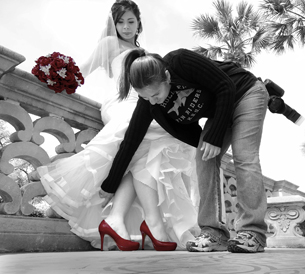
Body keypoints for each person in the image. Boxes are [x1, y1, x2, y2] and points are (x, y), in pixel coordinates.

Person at [34, 0, 199, 252]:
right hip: (121, 104)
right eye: (120, 22)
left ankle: (117, 220)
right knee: (146, 143)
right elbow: (82, 72)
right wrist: (55, 72)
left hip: (144, 104)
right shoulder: (109, 44)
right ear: (113, 24)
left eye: (130, 21)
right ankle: (145, 223)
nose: (125, 27)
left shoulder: (143, 51)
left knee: (148, 153)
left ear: (139, 22)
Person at [100, 47, 269, 253]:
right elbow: (130, 141)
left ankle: (253, 232)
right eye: (145, 98)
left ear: (167, 77)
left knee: (244, 156)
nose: (153, 101)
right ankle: (213, 233)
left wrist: (214, 137)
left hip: (245, 92)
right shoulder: (150, 103)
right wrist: (110, 185)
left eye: (155, 94)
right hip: (220, 111)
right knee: (204, 158)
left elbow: (225, 86)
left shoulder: (180, 61)